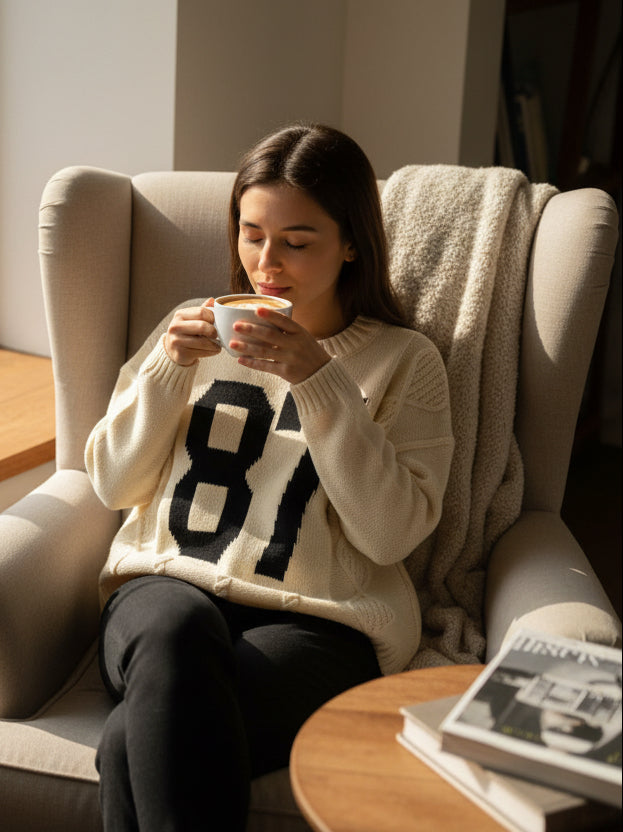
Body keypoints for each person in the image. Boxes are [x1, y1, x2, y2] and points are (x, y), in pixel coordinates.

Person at [86, 123, 454, 831]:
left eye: (296, 240)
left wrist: (320, 381)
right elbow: (110, 484)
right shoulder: (185, 331)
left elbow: (389, 536)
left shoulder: (406, 361)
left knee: (133, 736)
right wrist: (167, 372)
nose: (266, 263)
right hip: (163, 591)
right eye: (250, 234)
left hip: (315, 622)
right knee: (175, 629)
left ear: (350, 242)